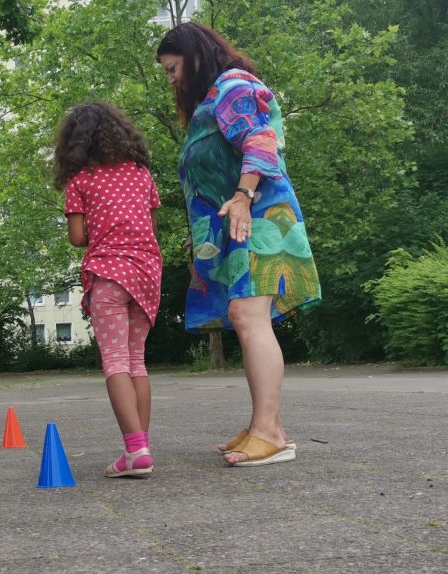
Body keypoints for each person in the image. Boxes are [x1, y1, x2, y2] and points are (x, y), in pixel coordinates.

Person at [156, 22, 320, 466]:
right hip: (237, 226)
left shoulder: (233, 85)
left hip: (261, 218)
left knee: (249, 316)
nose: (170, 79)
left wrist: (244, 195)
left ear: (194, 56)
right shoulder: (212, 100)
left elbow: (261, 142)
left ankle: (268, 431)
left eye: (172, 69)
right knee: (243, 316)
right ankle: (267, 426)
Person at [55, 102, 164, 478]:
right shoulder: (140, 174)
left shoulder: (80, 181)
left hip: (108, 274)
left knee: (116, 361)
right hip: (146, 273)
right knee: (138, 361)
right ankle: (140, 447)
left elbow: (76, 238)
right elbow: (149, 225)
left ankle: (136, 450)